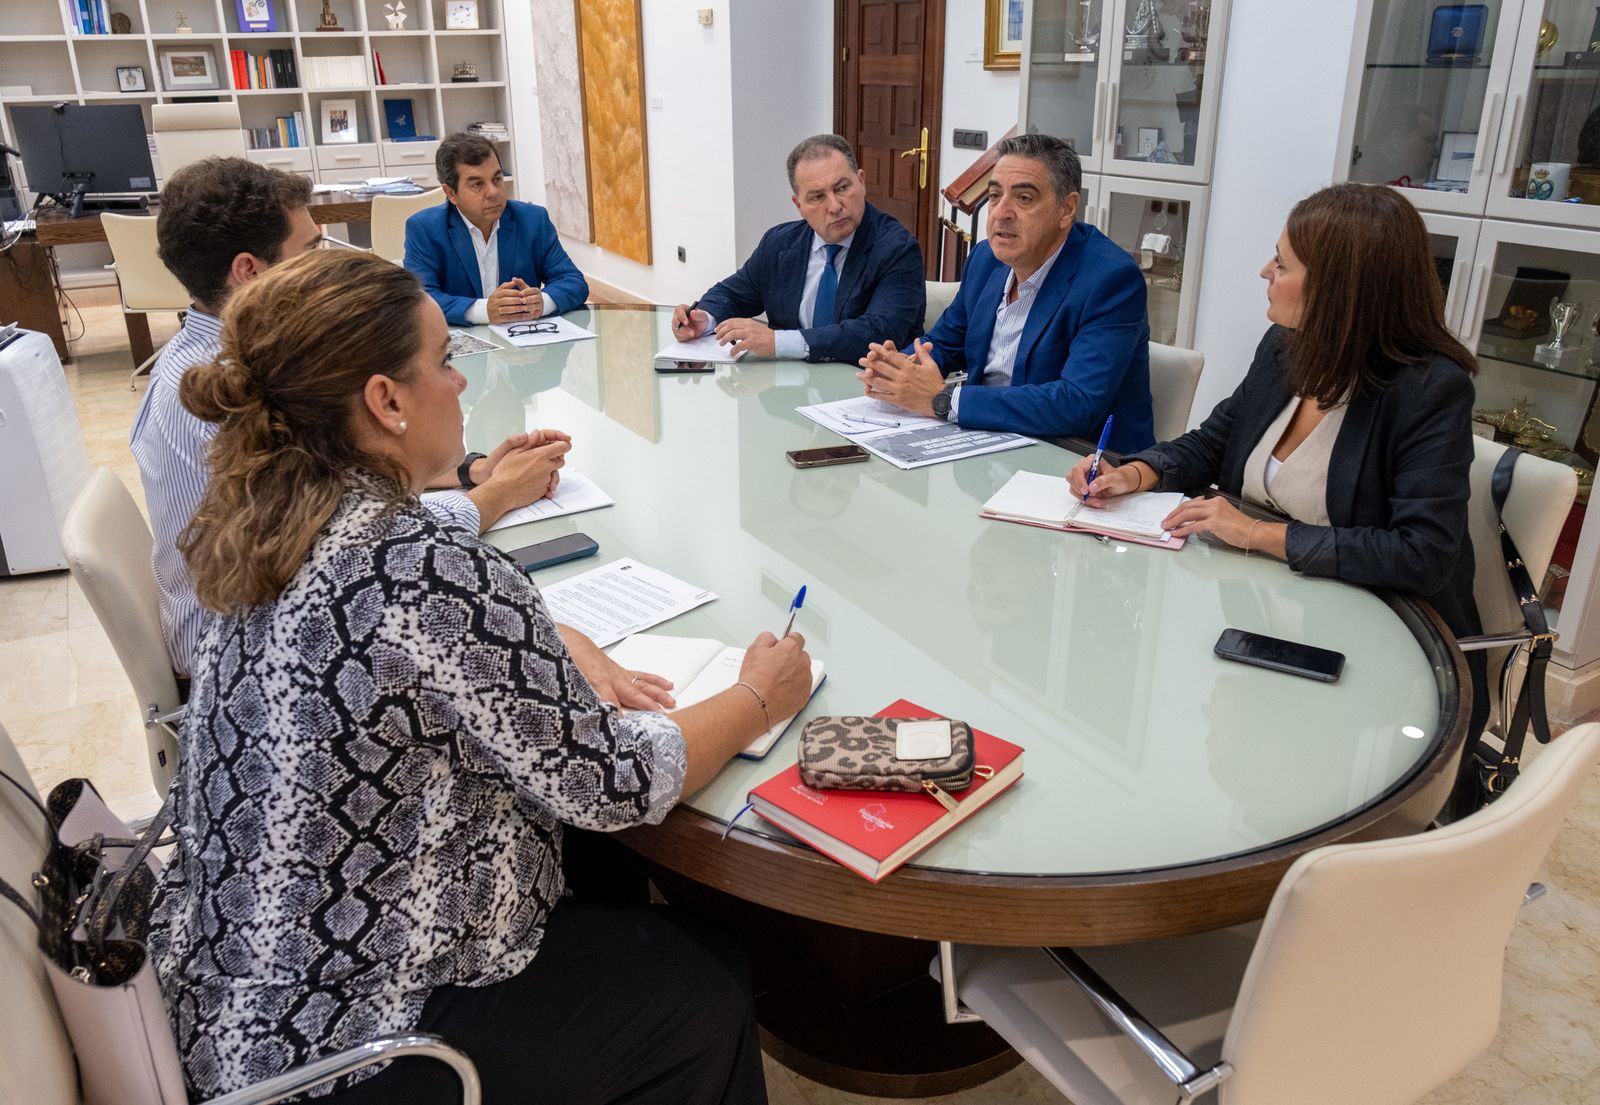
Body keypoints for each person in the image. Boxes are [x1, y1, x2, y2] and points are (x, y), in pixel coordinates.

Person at [148, 249, 815, 1105]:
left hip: (234, 1001)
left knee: (602, 879)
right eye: (445, 362)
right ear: (385, 402)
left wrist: (543, 635)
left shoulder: (273, 522)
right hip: (345, 1053)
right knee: (704, 984)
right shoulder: (419, 569)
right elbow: (614, 782)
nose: (460, 386)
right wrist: (760, 695)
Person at [131, 157, 568, 678]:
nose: (326, 267)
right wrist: (494, 496)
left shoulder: (223, 362)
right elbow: (352, 562)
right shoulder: (233, 396)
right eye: (311, 251)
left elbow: (340, 480)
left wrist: (469, 472)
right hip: (247, 650)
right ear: (250, 272)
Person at [1067, 182, 1484, 725]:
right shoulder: (1288, 346)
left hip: (1381, 652)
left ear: (1338, 288)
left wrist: (1256, 533)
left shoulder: (1428, 389)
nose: (1265, 271)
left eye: (1282, 264)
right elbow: (1216, 442)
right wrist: (1135, 473)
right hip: (1273, 609)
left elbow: (1422, 554)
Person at [857, 133, 1154, 451]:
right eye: (995, 196)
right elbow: (945, 342)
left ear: (1066, 209)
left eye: (1024, 198)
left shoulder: (1111, 280)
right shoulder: (986, 259)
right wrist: (900, 368)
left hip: (1076, 462)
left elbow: (1076, 404)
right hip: (988, 442)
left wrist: (944, 399)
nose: (1001, 212)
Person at [671, 134, 924, 362]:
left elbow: (878, 333)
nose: (835, 206)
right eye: (817, 197)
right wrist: (703, 318)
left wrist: (777, 342)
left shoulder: (897, 249)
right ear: (798, 205)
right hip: (789, 390)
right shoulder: (780, 244)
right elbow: (734, 293)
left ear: (861, 182)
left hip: (865, 390)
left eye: (842, 188)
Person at [404, 132, 588, 326]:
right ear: (451, 193)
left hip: (524, 345)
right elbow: (420, 300)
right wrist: (485, 311)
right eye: (477, 184)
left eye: (497, 179)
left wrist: (542, 302)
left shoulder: (533, 220)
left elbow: (573, 281)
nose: (493, 192)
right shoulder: (425, 229)